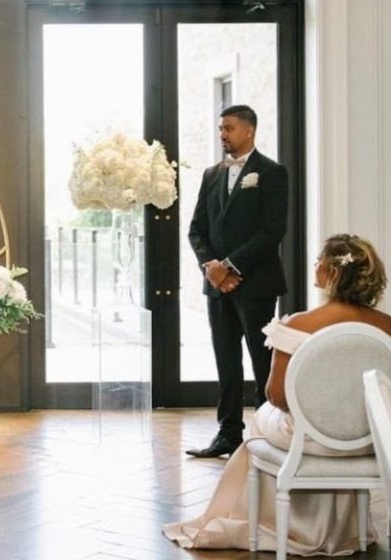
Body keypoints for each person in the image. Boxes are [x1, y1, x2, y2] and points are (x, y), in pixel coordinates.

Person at [165, 234, 391, 554]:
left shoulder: (300, 323)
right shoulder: (387, 326)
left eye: (319, 261)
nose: (315, 265)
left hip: (309, 440)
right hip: (368, 440)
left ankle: (274, 522)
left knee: (260, 420)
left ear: (334, 274)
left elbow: (277, 395)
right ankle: (339, 529)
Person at [186, 105, 288, 458]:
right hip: (216, 287)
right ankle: (228, 434)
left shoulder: (273, 173)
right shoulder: (212, 174)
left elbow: (273, 230)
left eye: (228, 128)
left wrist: (229, 266)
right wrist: (211, 268)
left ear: (249, 131)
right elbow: (196, 229)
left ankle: (265, 434)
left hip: (256, 284)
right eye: (220, 128)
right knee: (226, 361)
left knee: (262, 362)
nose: (222, 134)